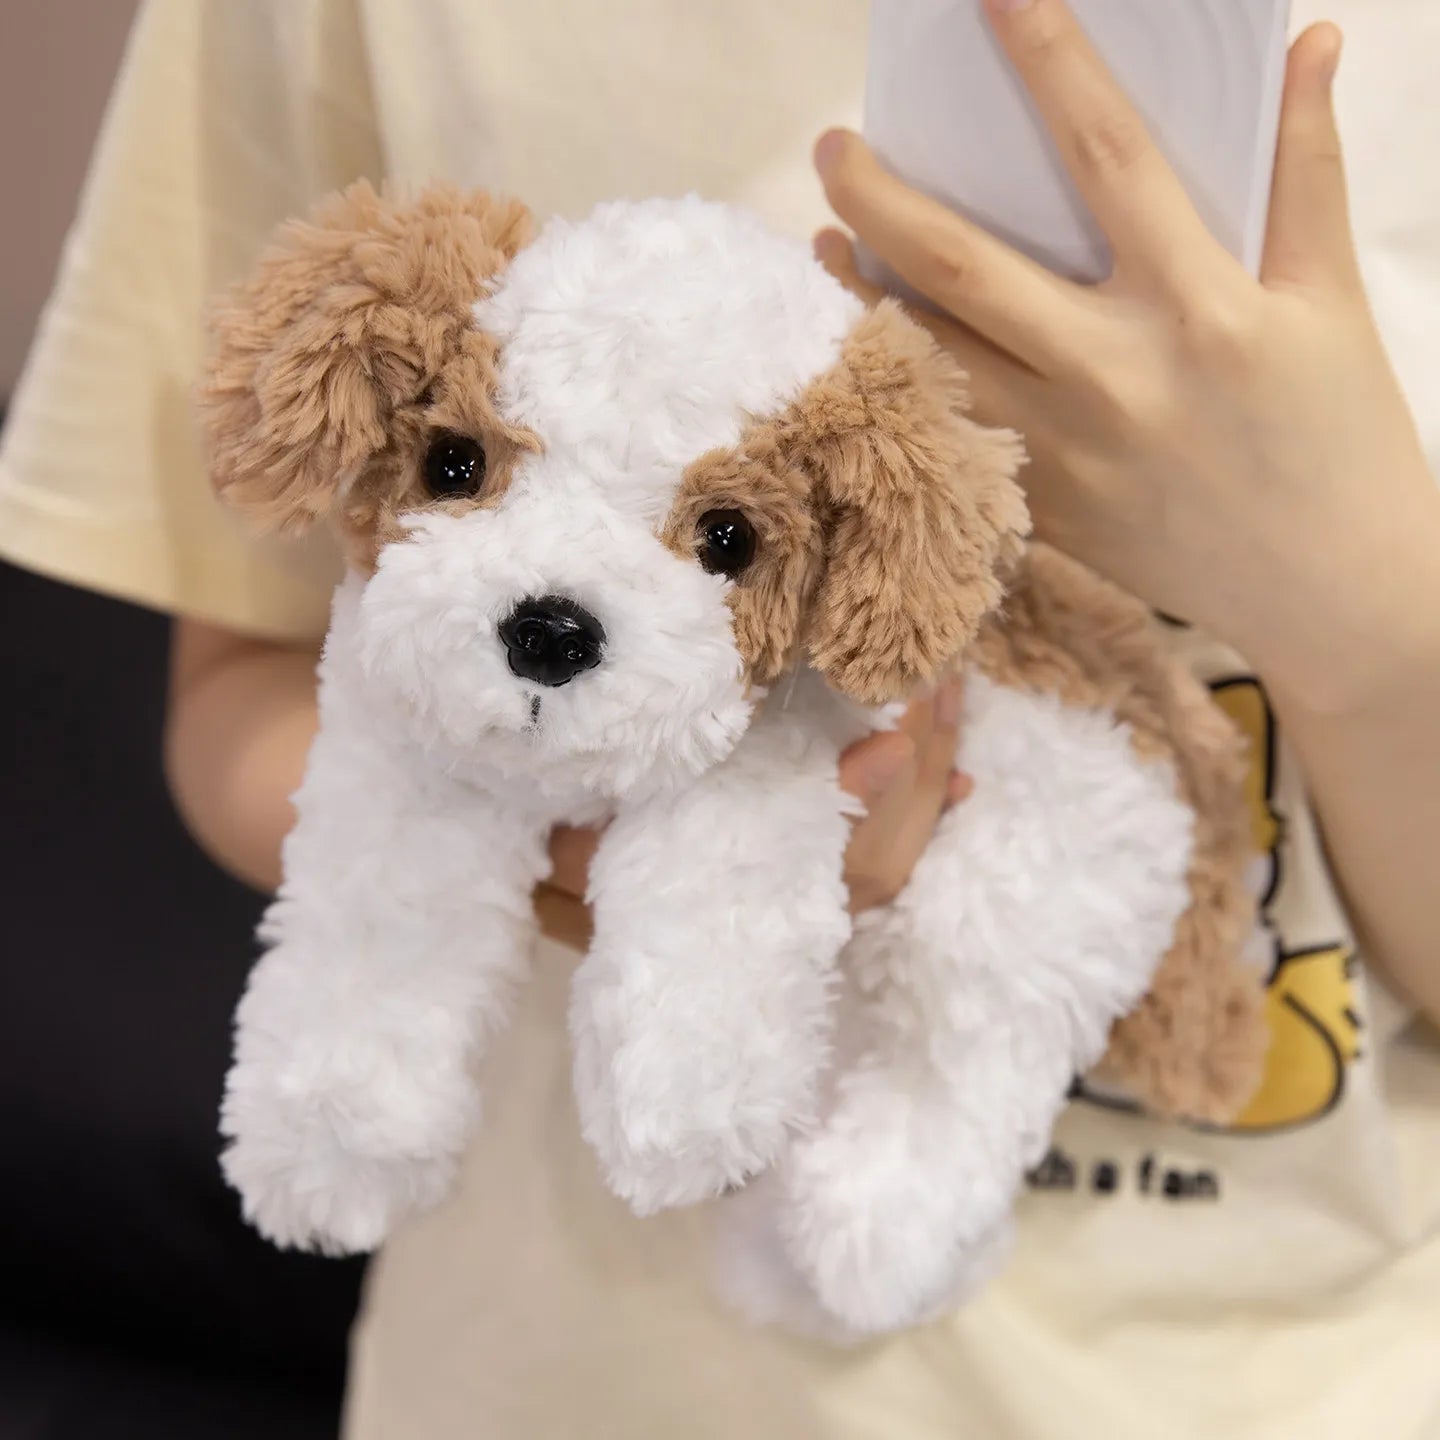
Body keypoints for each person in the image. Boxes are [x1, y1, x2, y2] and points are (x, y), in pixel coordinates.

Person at [1, 0, 1436, 1434]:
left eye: (727, 541)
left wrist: (1361, 611)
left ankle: (904, 1163)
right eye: (461, 472)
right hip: (547, 1381)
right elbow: (238, 694)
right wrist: (549, 834)